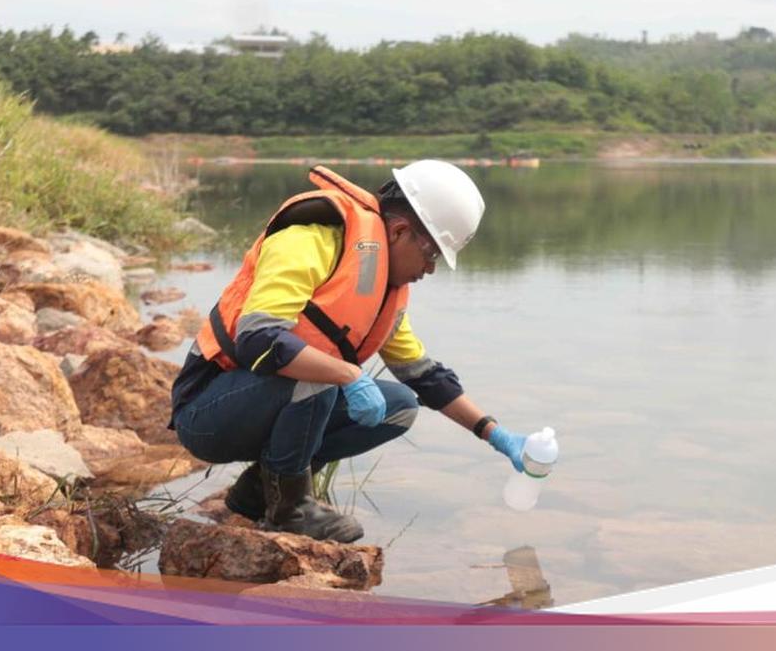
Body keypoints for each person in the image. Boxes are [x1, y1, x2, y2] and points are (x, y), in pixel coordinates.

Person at [168, 160, 529, 542]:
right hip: (208, 414)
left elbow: (424, 376)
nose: (431, 269)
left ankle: (258, 493)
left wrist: (494, 433)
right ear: (401, 231)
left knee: (400, 405)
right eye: (432, 254)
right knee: (321, 373)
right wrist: (348, 374)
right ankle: (290, 511)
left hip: (268, 403)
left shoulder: (382, 289)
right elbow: (258, 337)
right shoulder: (310, 240)